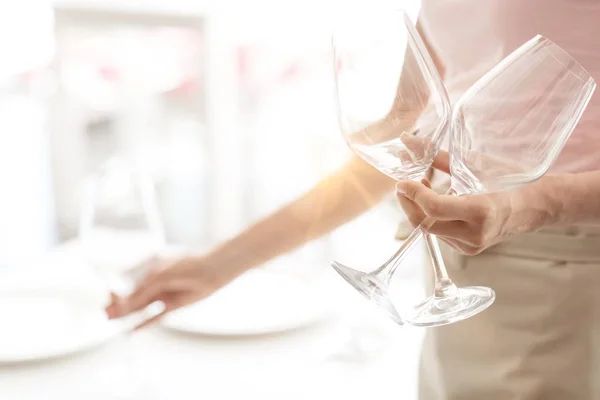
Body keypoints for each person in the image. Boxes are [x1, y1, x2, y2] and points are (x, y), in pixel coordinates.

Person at [106, 1, 600, 398]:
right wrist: (216, 267)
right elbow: (401, 137)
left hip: (564, 274)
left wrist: (533, 204)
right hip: (459, 271)